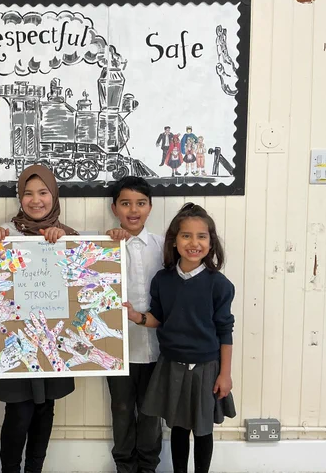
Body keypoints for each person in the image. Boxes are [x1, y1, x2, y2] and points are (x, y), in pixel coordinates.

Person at [124, 203, 236, 473]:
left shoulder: (219, 285)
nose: (194, 243)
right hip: (172, 365)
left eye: (201, 236)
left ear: (211, 242)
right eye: (186, 236)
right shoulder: (163, 280)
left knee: (203, 430)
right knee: (178, 427)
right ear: (174, 241)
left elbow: (225, 331)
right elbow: (158, 318)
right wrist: (136, 316)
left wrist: (225, 374)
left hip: (206, 368)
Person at [0, 164, 78, 473]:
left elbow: (84, 281)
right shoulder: (5, 234)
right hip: (14, 342)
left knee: (45, 409)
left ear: (55, 195)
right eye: (28, 193)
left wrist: (62, 241)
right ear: (19, 197)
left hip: (52, 341)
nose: (36, 200)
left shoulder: (67, 235)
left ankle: (35, 469)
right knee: (18, 411)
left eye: (43, 193)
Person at [105, 176, 164, 473]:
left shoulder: (164, 246)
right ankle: (125, 466)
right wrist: (107, 241)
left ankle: (148, 466)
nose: (133, 210)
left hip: (156, 346)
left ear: (150, 207)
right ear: (114, 208)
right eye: (125, 203)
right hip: (118, 348)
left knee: (152, 412)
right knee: (122, 409)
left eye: (141, 203)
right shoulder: (105, 245)